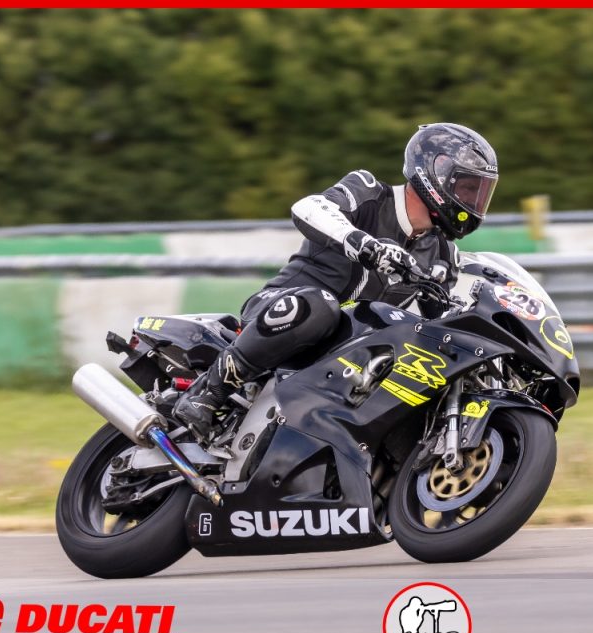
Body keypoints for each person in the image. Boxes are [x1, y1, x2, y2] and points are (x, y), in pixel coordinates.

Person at [173, 122, 499, 439]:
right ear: (434, 174)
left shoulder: (443, 255)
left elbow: (436, 328)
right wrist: (363, 243)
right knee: (322, 305)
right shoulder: (369, 192)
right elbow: (309, 207)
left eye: (479, 192)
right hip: (281, 311)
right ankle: (208, 393)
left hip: (345, 353)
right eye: (468, 188)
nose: (473, 201)